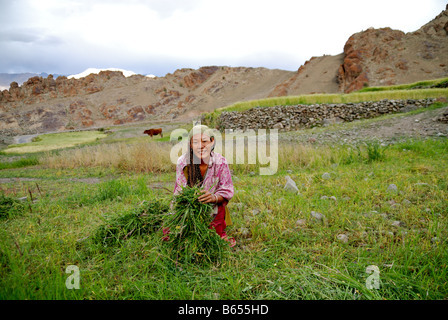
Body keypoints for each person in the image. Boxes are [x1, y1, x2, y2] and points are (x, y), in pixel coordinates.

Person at [171, 124, 236, 247]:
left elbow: (227, 190)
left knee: (212, 237)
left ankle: (218, 231)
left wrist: (213, 197)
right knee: (174, 235)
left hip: (212, 207)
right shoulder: (183, 162)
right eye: (195, 142)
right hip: (189, 208)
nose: (200, 146)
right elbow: (180, 191)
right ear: (190, 145)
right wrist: (191, 200)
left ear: (212, 142)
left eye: (204, 141)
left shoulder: (220, 162)